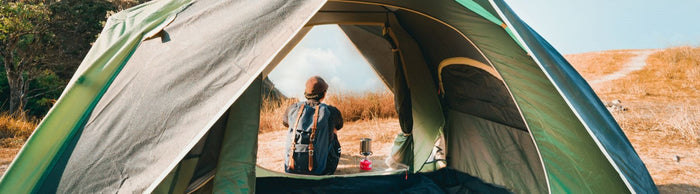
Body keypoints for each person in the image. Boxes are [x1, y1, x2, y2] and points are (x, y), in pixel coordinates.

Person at [283, 76, 343, 175]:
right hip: (321, 171)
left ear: (306, 94)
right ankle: (324, 161)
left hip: (291, 168)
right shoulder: (331, 111)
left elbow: (285, 123)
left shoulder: (292, 108)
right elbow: (339, 126)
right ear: (324, 94)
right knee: (333, 131)